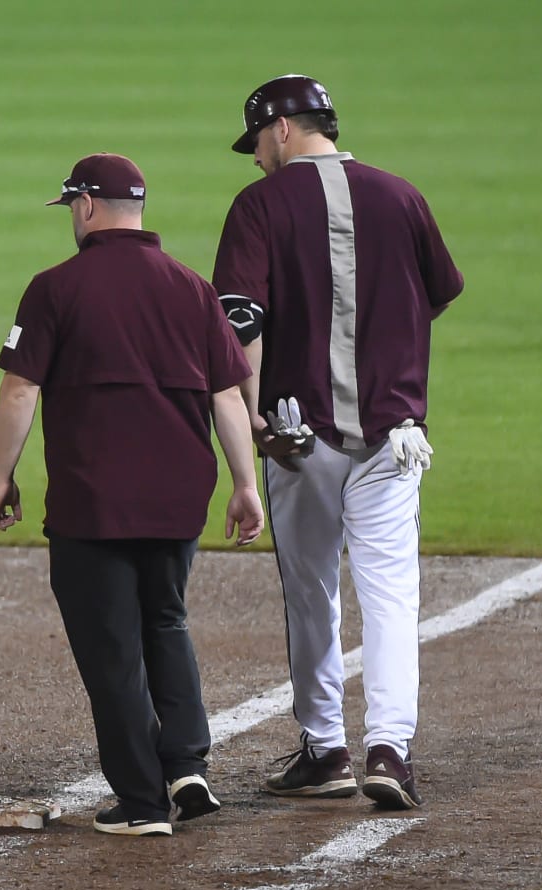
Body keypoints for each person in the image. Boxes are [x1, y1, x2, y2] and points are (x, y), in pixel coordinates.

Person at [0, 153, 265, 836]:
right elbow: (226, 394)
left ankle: (143, 803)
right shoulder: (192, 288)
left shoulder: (55, 288)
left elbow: (21, 388)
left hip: (93, 503)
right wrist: (245, 483)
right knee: (165, 621)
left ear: (85, 206)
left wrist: (4, 475)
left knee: (112, 646)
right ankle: (187, 764)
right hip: (178, 499)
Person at [212, 75, 464, 810]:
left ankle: (325, 751)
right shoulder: (401, 195)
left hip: (299, 437)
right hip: (395, 436)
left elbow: (241, 326)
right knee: (391, 596)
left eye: (257, 141)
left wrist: (254, 418)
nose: (256, 157)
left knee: (311, 591)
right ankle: (390, 748)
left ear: (283, 130)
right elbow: (437, 292)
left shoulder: (259, 205)